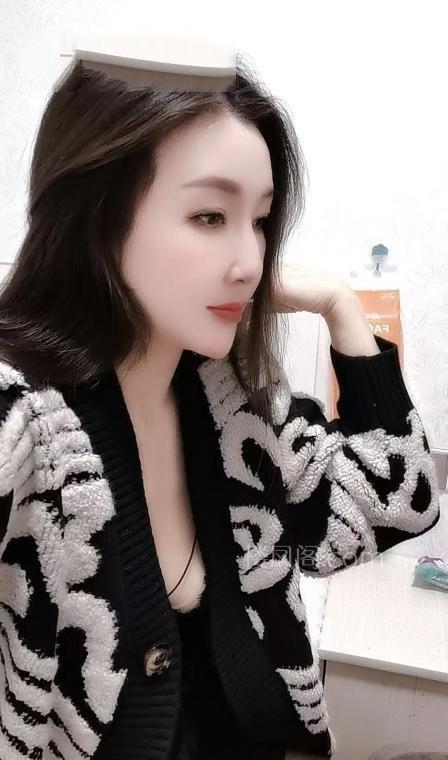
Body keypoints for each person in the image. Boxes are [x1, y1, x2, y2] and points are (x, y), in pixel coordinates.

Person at [0, 54, 440, 760]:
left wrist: (342, 306)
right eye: (209, 215)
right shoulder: (26, 432)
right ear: (96, 216)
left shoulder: (228, 403)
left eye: (260, 221)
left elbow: (398, 503)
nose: (251, 261)